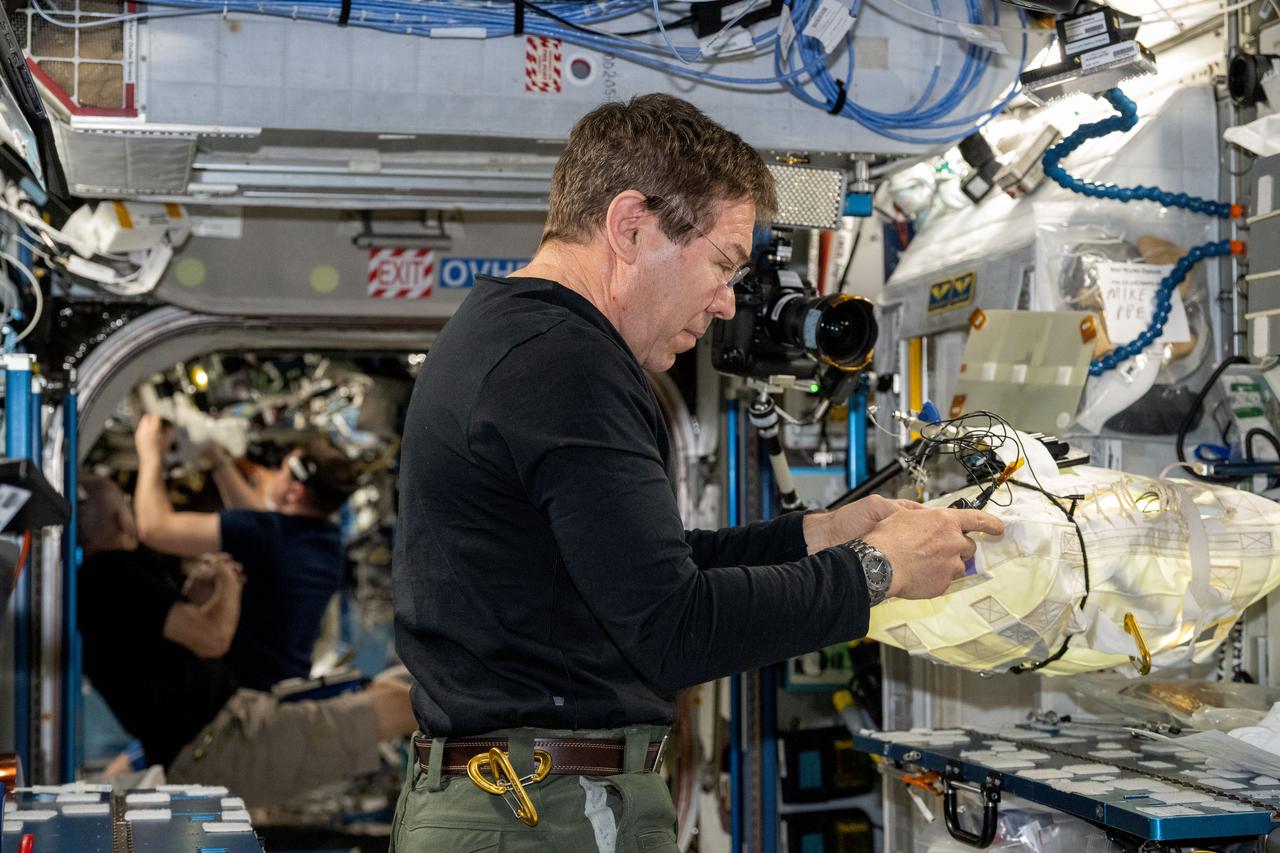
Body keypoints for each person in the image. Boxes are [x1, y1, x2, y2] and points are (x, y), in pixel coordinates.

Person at [390, 94, 1004, 852]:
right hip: (542, 813)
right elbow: (673, 628)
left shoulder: (511, 336)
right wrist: (876, 572)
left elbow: (639, 571)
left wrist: (818, 535)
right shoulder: (566, 365)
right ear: (630, 227)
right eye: (720, 264)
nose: (724, 303)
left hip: (520, 803)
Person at [77, 475, 417, 806]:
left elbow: (159, 651)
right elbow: (214, 639)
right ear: (122, 520)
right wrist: (228, 583)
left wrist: (195, 600)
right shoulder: (110, 573)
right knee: (398, 705)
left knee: (390, 692)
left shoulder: (108, 579)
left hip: (228, 725)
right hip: (220, 742)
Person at [132, 413, 358, 690]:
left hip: (239, 694)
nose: (275, 474)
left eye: (281, 469)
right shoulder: (328, 546)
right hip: (281, 692)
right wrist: (218, 460)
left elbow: (155, 529)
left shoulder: (265, 535)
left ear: (295, 493)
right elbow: (259, 519)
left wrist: (150, 452)